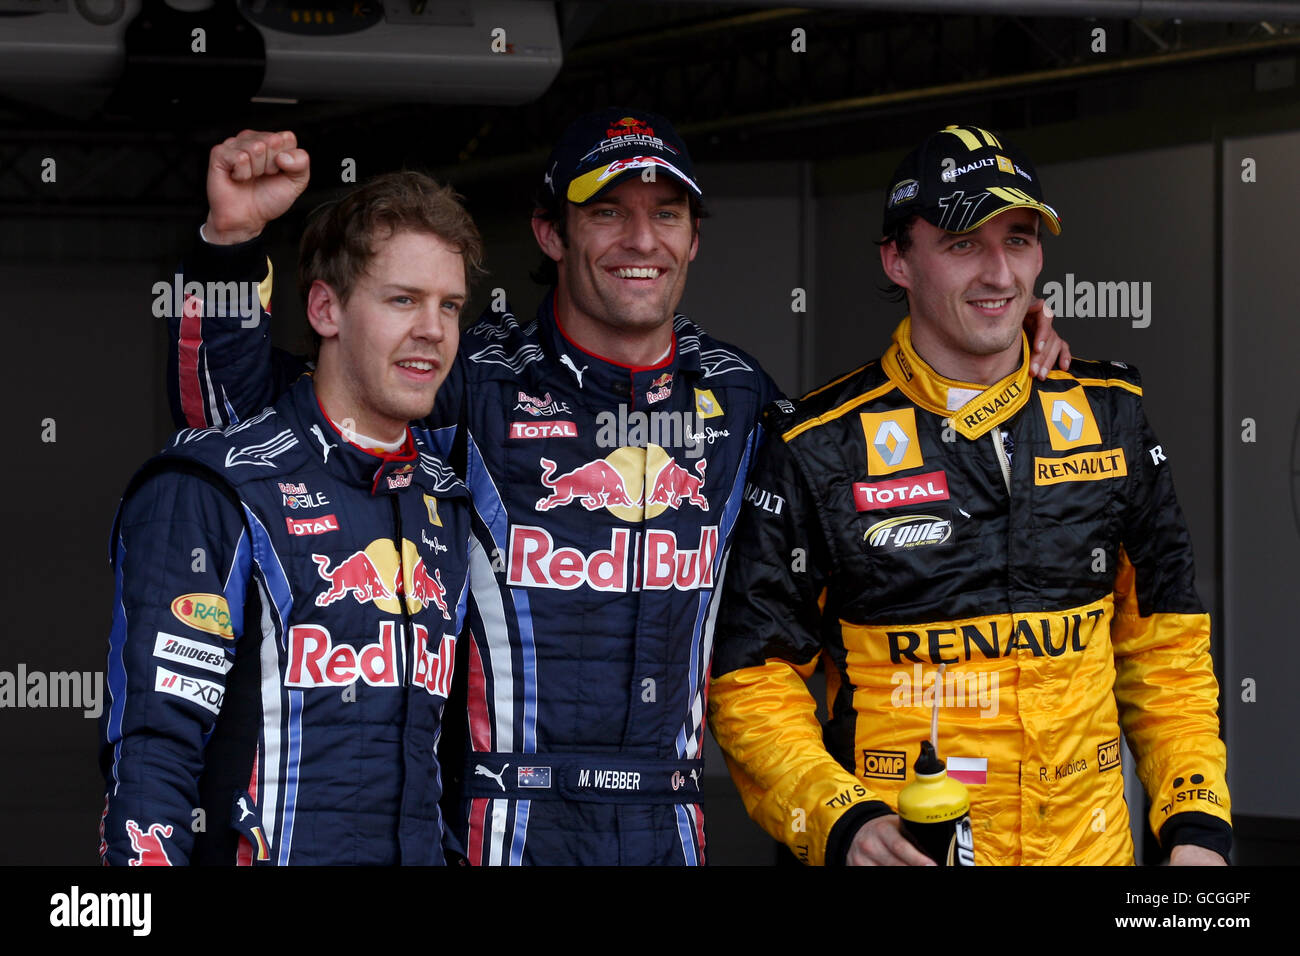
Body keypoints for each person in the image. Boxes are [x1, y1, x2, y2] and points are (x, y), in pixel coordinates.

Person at [162, 114, 1069, 865]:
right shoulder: (473, 377)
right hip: (497, 819)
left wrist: (997, 349)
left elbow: (867, 505)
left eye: (667, 213)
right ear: (553, 233)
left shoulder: (740, 396)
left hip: (668, 819)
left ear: (693, 238)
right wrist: (230, 249)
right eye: (609, 213)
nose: (643, 239)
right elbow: (251, 435)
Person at [708, 124, 1231, 866]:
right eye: (962, 244)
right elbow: (753, 680)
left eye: (1018, 239)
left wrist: (1196, 827)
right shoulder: (818, 445)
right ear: (898, 260)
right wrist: (842, 822)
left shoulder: (1110, 413)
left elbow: (1164, 648)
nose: (999, 273)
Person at [98, 170, 482, 865]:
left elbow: (446, 763)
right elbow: (155, 747)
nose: (432, 330)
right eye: (403, 300)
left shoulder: (447, 501)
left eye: (449, 306)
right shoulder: (215, 484)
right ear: (326, 310)